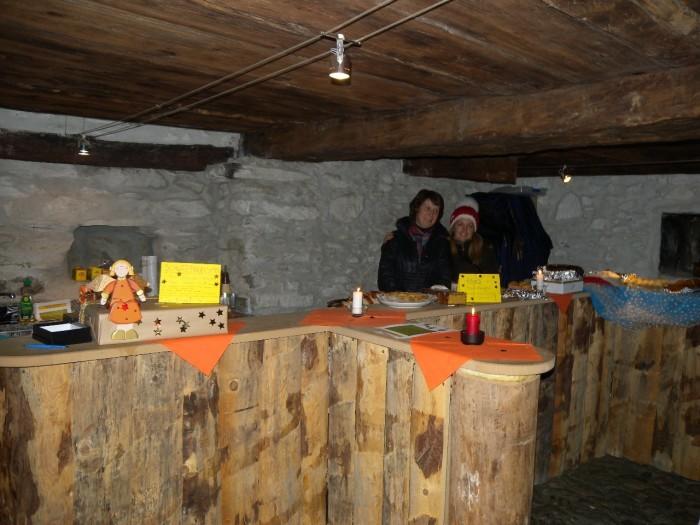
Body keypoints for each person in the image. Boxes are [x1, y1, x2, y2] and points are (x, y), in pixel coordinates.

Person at [378, 189, 451, 291]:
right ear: (417, 208)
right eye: (428, 208)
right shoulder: (395, 239)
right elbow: (385, 276)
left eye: (436, 211)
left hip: (430, 301)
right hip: (397, 300)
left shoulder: (442, 243)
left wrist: (430, 297)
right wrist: (399, 297)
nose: (431, 214)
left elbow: (445, 279)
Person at [448, 197, 499, 284]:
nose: (465, 229)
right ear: (453, 227)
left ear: (474, 231)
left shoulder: (484, 250)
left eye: (470, 226)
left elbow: (493, 279)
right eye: (460, 224)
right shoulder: (443, 247)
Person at [100, 259, 147, 340]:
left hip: (130, 301)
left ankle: (130, 330)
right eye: (118, 268)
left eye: (124, 268)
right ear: (113, 270)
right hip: (117, 302)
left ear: (129, 269)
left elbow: (137, 289)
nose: (121, 271)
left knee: (131, 312)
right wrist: (104, 298)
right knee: (119, 313)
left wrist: (141, 296)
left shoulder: (130, 282)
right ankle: (120, 330)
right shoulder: (113, 283)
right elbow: (107, 290)